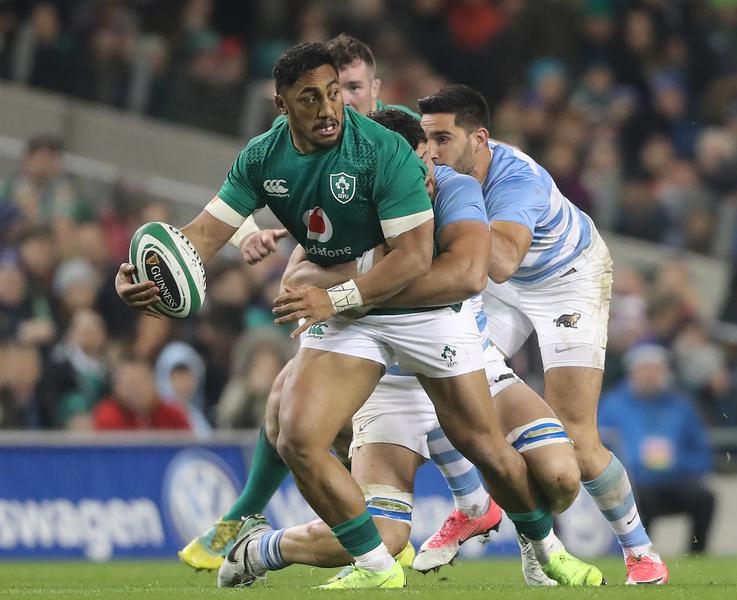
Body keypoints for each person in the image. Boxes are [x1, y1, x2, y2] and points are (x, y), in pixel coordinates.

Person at [117, 43, 558, 591]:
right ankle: (371, 564)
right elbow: (203, 236)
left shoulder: (384, 149)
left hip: (420, 312)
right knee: (296, 433)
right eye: (311, 98)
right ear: (281, 105)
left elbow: (414, 260)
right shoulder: (262, 157)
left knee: (485, 444)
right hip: (354, 317)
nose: (329, 109)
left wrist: (332, 296)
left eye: (335, 93)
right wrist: (145, 272)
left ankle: (542, 544)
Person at [215, 110, 596, 588]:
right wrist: (378, 279)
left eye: (425, 161)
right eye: (409, 165)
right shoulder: (346, 196)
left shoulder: (455, 189)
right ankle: (260, 548)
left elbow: (468, 275)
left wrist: (354, 289)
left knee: (556, 474)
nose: (424, 175)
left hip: (448, 342)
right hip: (387, 381)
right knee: (380, 532)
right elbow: (295, 280)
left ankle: (542, 548)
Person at [417, 84, 669, 585]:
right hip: (502, 289)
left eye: (444, 140)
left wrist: (448, 209)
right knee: (441, 385)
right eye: (427, 141)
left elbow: (503, 262)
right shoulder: (441, 171)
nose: (432, 153)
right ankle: (474, 506)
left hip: (566, 282)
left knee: (576, 436)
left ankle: (641, 552)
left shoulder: (516, 181)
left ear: (479, 139)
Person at [599, 344, 716, 554]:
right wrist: (637, 461)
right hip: (633, 485)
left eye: (655, 369)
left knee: (705, 498)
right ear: (631, 372)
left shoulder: (682, 406)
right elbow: (600, 449)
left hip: (675, 481)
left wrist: (674, 461)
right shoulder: (613, 405)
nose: (649, 376)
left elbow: (703, 455)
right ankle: (640, 555)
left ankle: (696, 557)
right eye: (644, 369)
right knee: (641, 500)